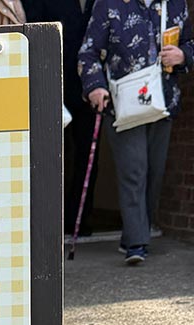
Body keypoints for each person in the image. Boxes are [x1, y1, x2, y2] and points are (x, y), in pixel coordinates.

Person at [79, 0, 194, 264]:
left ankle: (136, 231)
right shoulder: (108, 5)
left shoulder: (176, 5)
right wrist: (95, 86)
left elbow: (189, 44)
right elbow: (88, 52)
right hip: (122, 104)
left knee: (154, 173)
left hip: (164, 102)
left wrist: (182, 55)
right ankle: (136, 243)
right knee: (134, 170)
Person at [25, 0, 98, 235]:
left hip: (91, 87)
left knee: (88, 156)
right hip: (52, 84)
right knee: (53, 157)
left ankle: (78, 220)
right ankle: (50, 221)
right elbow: (33, 33)